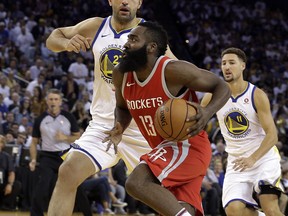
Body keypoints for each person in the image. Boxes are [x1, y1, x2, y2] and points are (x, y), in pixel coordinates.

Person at [45, 1, 178, 215]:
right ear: (110, 0)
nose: (125, 1)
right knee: (68, 171)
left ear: (139, 3)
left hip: (143, 128)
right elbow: (53, 37)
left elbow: (177, 70)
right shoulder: (96, 26)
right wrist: (66, 44)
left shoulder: (150, 35)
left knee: (171, 196)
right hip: (104, 125)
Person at [105, 21, 230, 216]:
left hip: (187, 145)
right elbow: (122, 107)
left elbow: (222, 87)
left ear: (151, 47)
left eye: (134, 39)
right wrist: (119, 125)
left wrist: (207, 113)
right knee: (182, 210)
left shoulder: (173, 70)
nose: (126, 44)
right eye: (128, 38)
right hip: (165, 149)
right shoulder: (121, 73)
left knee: (137, 182)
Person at [201, 47, 284, 216]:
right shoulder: (213, 95)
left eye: (232, 63)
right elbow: (197, 119)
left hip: (262, 158)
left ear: (243, 66)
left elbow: (272, 135)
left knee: (270, 208)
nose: (226, 67)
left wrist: (253, 158)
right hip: (237, 162)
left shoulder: (257, 95)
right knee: (233, 211)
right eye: (224, 63)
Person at [28, 88, 91, 216]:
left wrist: (65, 138)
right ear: (46, 101)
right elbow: (34, 142)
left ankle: (88, 214)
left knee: (77, 187)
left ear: (60, 102)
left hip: (66, 155)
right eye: (51, 99)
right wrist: (33, 159)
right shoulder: (40, 119)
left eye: (56, 99)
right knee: (42, 185)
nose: (53, 102)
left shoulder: (68, 117)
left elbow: (78, 136)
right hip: (47, 156)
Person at [0, 135, 21, 210]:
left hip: (2, 182)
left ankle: (6, 205)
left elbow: (11, 172)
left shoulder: (6, 156)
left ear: (2, 144)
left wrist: (9, 184)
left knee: (16, 185)